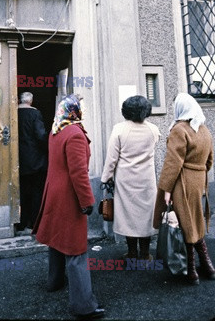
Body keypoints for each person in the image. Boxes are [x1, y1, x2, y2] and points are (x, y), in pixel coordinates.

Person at [33, 95, 104, 320]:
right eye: (82, 107)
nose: (85, 110)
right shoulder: (74, 134)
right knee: (75, 249)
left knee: (56, 239)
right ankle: (84, 306)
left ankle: (54, 281)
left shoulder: (58, 129)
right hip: (69, 196)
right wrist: (87, 200)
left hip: (55, 192)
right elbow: (78, 173)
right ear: (75, 111)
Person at [153, 92, 214, 285]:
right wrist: (199, 174)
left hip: (182, 182)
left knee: (184, 225)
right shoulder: (203, 129)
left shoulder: (179, 129)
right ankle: (207, 266)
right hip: (199, 181)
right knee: (194, 222)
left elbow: (173, 163)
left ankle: (191, 270)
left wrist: (167, 189)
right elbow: (210, 160)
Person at [101, 95, 160, 261]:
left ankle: (132, 252)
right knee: (146, 217)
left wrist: (106, 177)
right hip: (146, 180)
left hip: (126, 181)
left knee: (128, 217)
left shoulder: (119, 129)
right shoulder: (153, 129)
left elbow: (112, 158)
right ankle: (146, 253)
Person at [17, 92, 48, 234]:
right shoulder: (35, 114)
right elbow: (41, 135)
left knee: (22, 192)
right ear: (31, 101)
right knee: (36, 192)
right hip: (35, 160)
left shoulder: (13, 112)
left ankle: (21, 222)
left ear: (19, 100)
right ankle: (34, 223)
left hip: (18, 159)